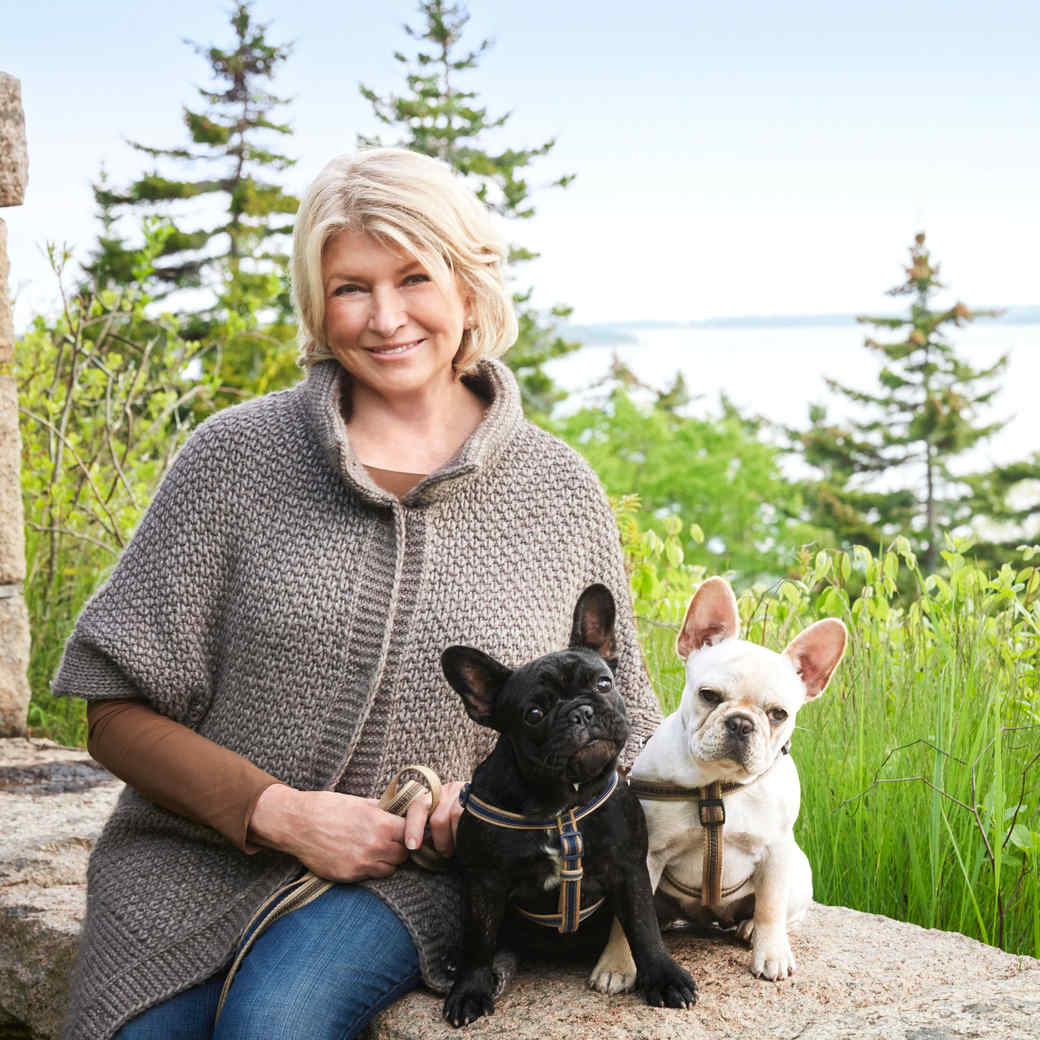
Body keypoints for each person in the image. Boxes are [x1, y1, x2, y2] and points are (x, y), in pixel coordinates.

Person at [52, 147, 662, 1040]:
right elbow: (112, 710)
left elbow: (624, 729)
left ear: (468, 285)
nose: (385, 318)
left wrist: (488, 809)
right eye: (349, 287)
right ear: (316, 301)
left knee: (273, 1027)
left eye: (414, 277)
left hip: (418, 885)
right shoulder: (233, 461)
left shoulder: (557, 490)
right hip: (192, 863)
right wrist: (281, 813)